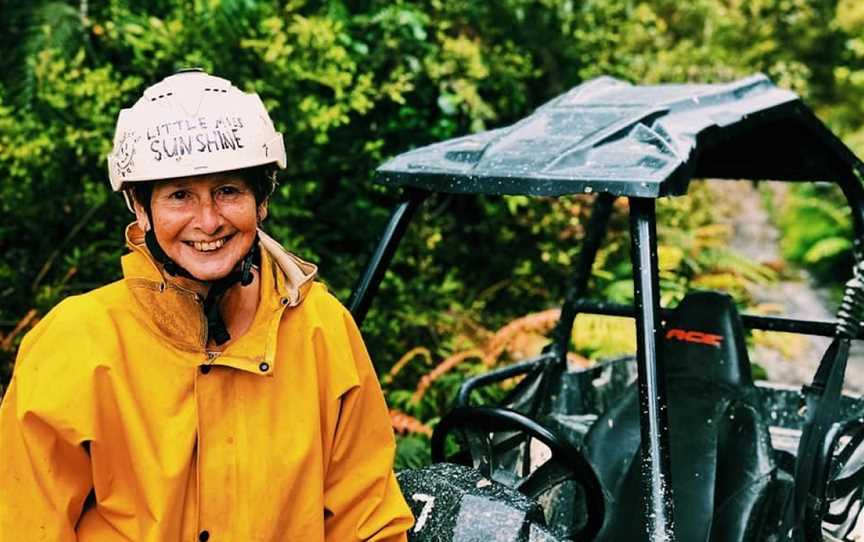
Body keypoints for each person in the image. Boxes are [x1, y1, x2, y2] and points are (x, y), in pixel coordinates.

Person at [0, 69, 414, 541]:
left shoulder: (321, 329)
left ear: (261, 200)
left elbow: (369, 524)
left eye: (228, 191)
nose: (209, 220)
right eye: (180, 195)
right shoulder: (76, 342)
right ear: (140, 207)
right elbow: (25, 524)